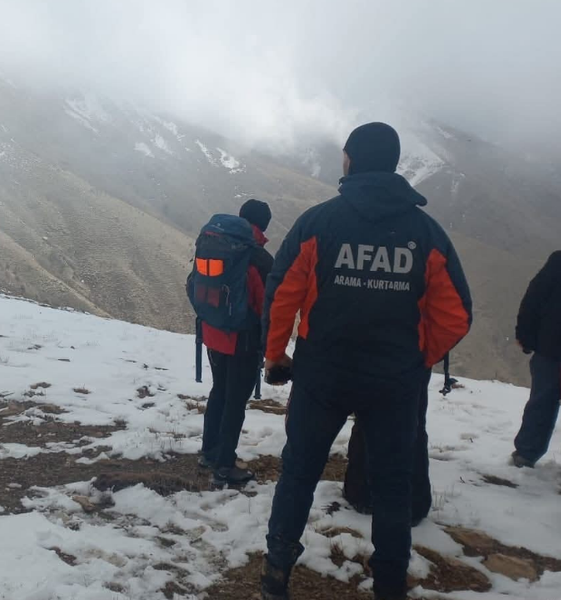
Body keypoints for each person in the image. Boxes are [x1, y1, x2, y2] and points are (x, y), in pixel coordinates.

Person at [259, 123, 472, 600]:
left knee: (299, 473)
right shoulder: (426, 233)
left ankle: (275, 575)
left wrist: (276, 355)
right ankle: (390, 586)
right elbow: (456, 315)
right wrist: (417, 359)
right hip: (394, 383)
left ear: (349, 160)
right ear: (394, 165)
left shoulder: (318, 224)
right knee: (394, 487)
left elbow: (281, 297)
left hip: (322, 376)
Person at [197, 199, 275, 487]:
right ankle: (225, 464)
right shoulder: (259, 258)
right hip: (242, 339)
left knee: (219, 389)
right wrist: (269, 346)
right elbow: (268, 307)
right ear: (265, 225)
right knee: (235, 400)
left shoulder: (215, 242)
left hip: (212, 331)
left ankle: (209, 451)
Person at [343, 374, 432, 527]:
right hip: (416, 359)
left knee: (368, 414)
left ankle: (362, 493)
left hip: (372, 358)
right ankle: (412, 503)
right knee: (412, 419)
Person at [512, 251, 561, 467]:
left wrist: (525, 335)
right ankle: (526, 453)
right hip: (551, 349)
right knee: (542, 401)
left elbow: (534, 297)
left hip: (550, 348)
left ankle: (526, 454)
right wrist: (526, 335)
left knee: (542, 402)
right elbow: (535, 297)